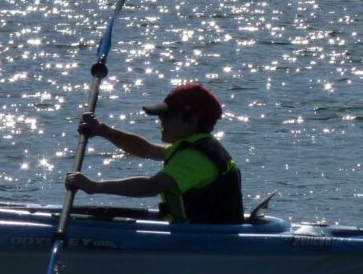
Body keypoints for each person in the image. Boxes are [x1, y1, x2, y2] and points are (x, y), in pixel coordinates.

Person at [64, 82, 244, 224]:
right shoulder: (193, 146)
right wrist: (102, 130)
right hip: (196, 230)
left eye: (167, 115)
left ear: (191, 121)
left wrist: (94, 187)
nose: (160, 120)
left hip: (210, 240)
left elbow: (151, 186)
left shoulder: (194, 159)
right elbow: (144, 149)